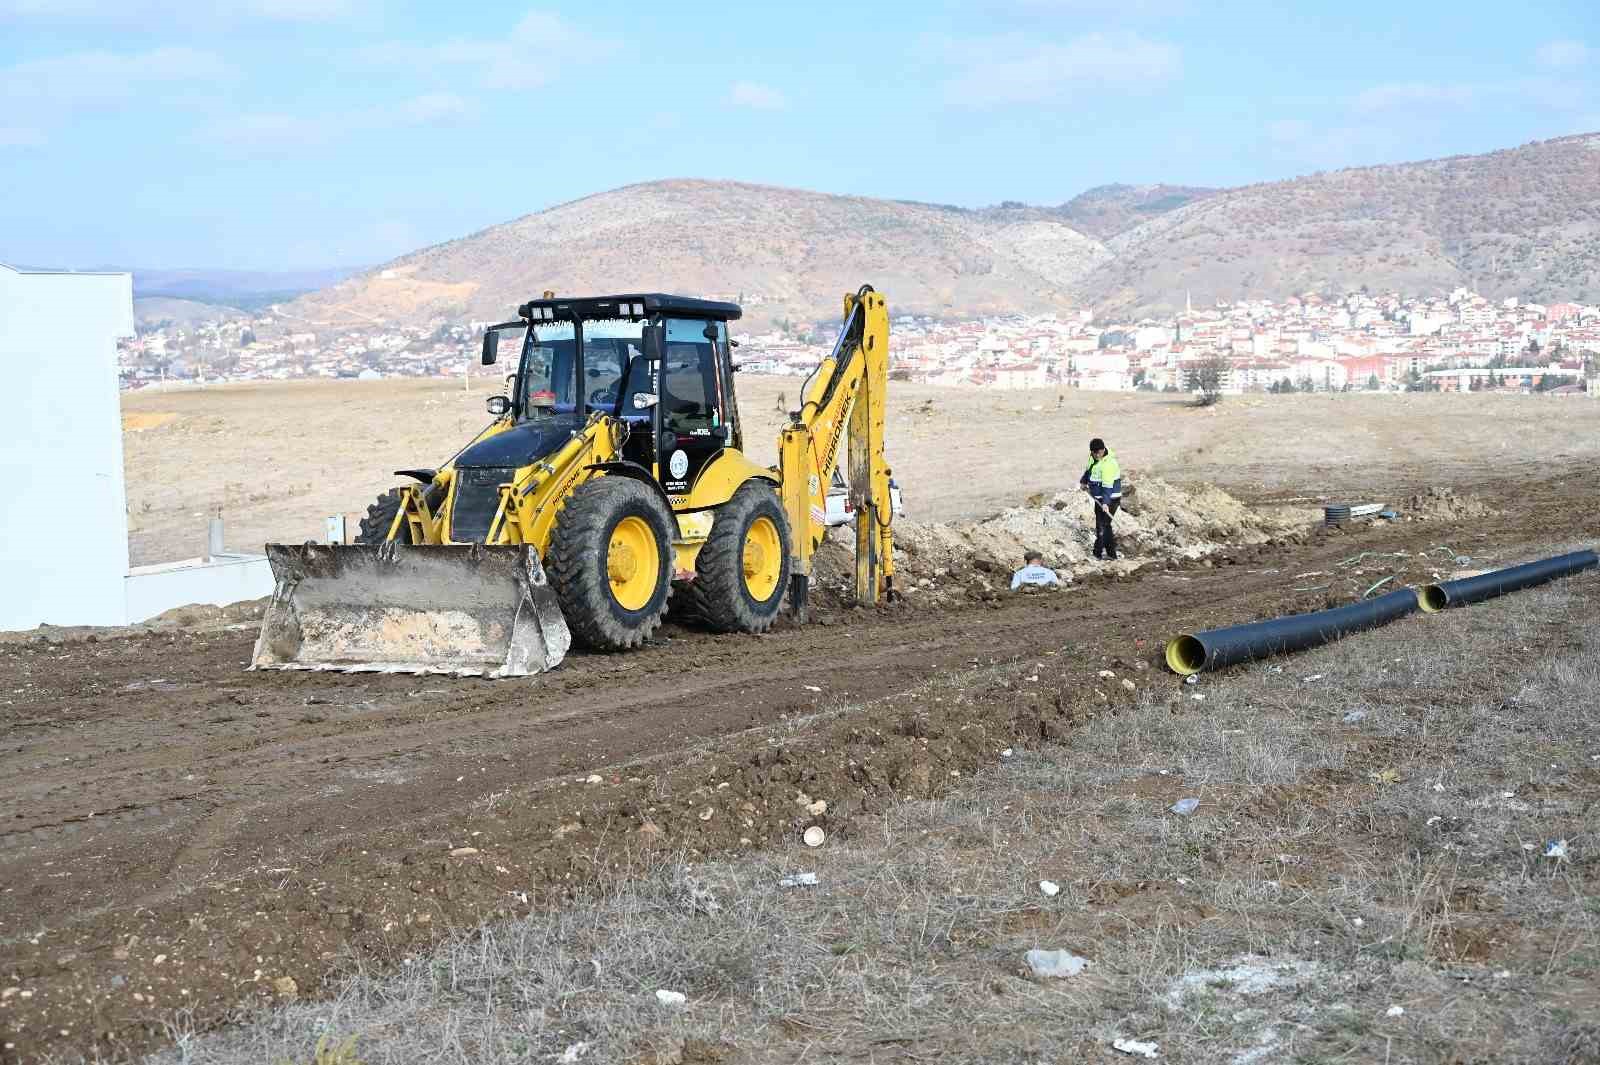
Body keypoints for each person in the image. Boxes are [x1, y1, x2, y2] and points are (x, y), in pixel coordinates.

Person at [1079, 437, 1123, 560]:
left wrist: (1105, 503)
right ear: (1092, 452)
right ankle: (1111, 554)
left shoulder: (1109, 463)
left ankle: (1097, 553)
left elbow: (1108, 487)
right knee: (1105, 525)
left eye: (1100, 452)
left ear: (1103, 449)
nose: (1098, 455)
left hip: (1110, 498)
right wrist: (1084, 481)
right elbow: (1089, 470)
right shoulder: (1093, 457)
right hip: (1099, 498)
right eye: (1096, 453)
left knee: (1102, 526)